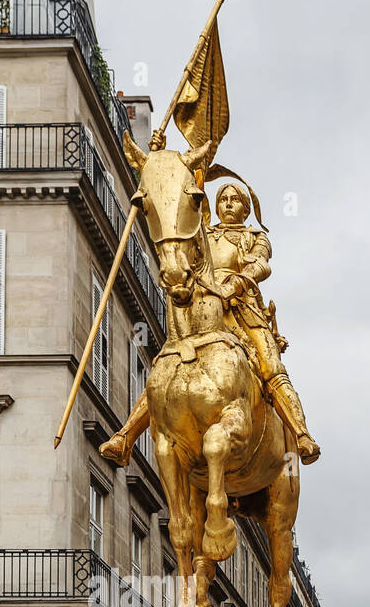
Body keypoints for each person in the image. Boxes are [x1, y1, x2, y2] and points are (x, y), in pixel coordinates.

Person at [100, 181, 321, 468]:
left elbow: (261, 265)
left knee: (271, 368)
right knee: (166, 368)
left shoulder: (255, 236)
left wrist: (236, 283)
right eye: (223, 199)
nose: (228, 203)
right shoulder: (204, 233)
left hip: (242, 309)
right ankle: (125, 436)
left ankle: (302, 435)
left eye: (235, 199)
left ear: (245, 208)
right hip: (202, 307)